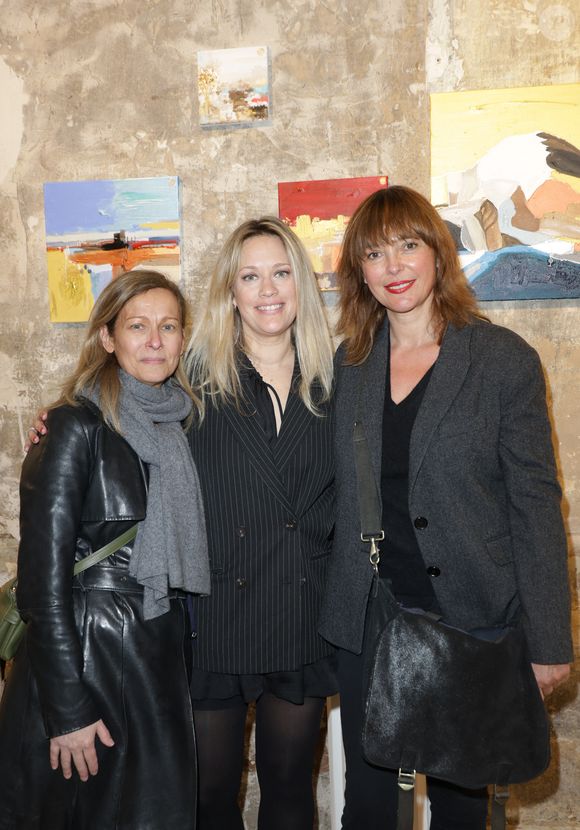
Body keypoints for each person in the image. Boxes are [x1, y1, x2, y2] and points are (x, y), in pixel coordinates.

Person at [317, 185, 573, 829]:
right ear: (359, 271)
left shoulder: (501, 361)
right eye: (375, 254)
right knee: (370, 805)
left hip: (472, 618)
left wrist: (548, 641)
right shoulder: (348, 366)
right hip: (371, 620)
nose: (394, 266)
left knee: (464, 805)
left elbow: (536, 507)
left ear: (438, 253)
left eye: (409, 245)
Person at [0, 270, 210, 830]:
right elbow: (40, 587)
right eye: (137, 326)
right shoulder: (73, 427)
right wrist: (66, 711)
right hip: (90, 664)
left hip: (153, 659)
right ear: (107, 338)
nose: (155, 340)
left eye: (168, 327)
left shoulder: (177, 426)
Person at [185, 217, 336, 830]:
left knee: (290, 792)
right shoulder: (191, 375)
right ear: (231, 291)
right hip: (213, 614)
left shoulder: (338, 376)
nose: (267, 290)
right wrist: (57, 419)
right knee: (209, 797)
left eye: (280, 273)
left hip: (298, 611)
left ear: (301, 284)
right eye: (251, 276)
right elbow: (116, 407)